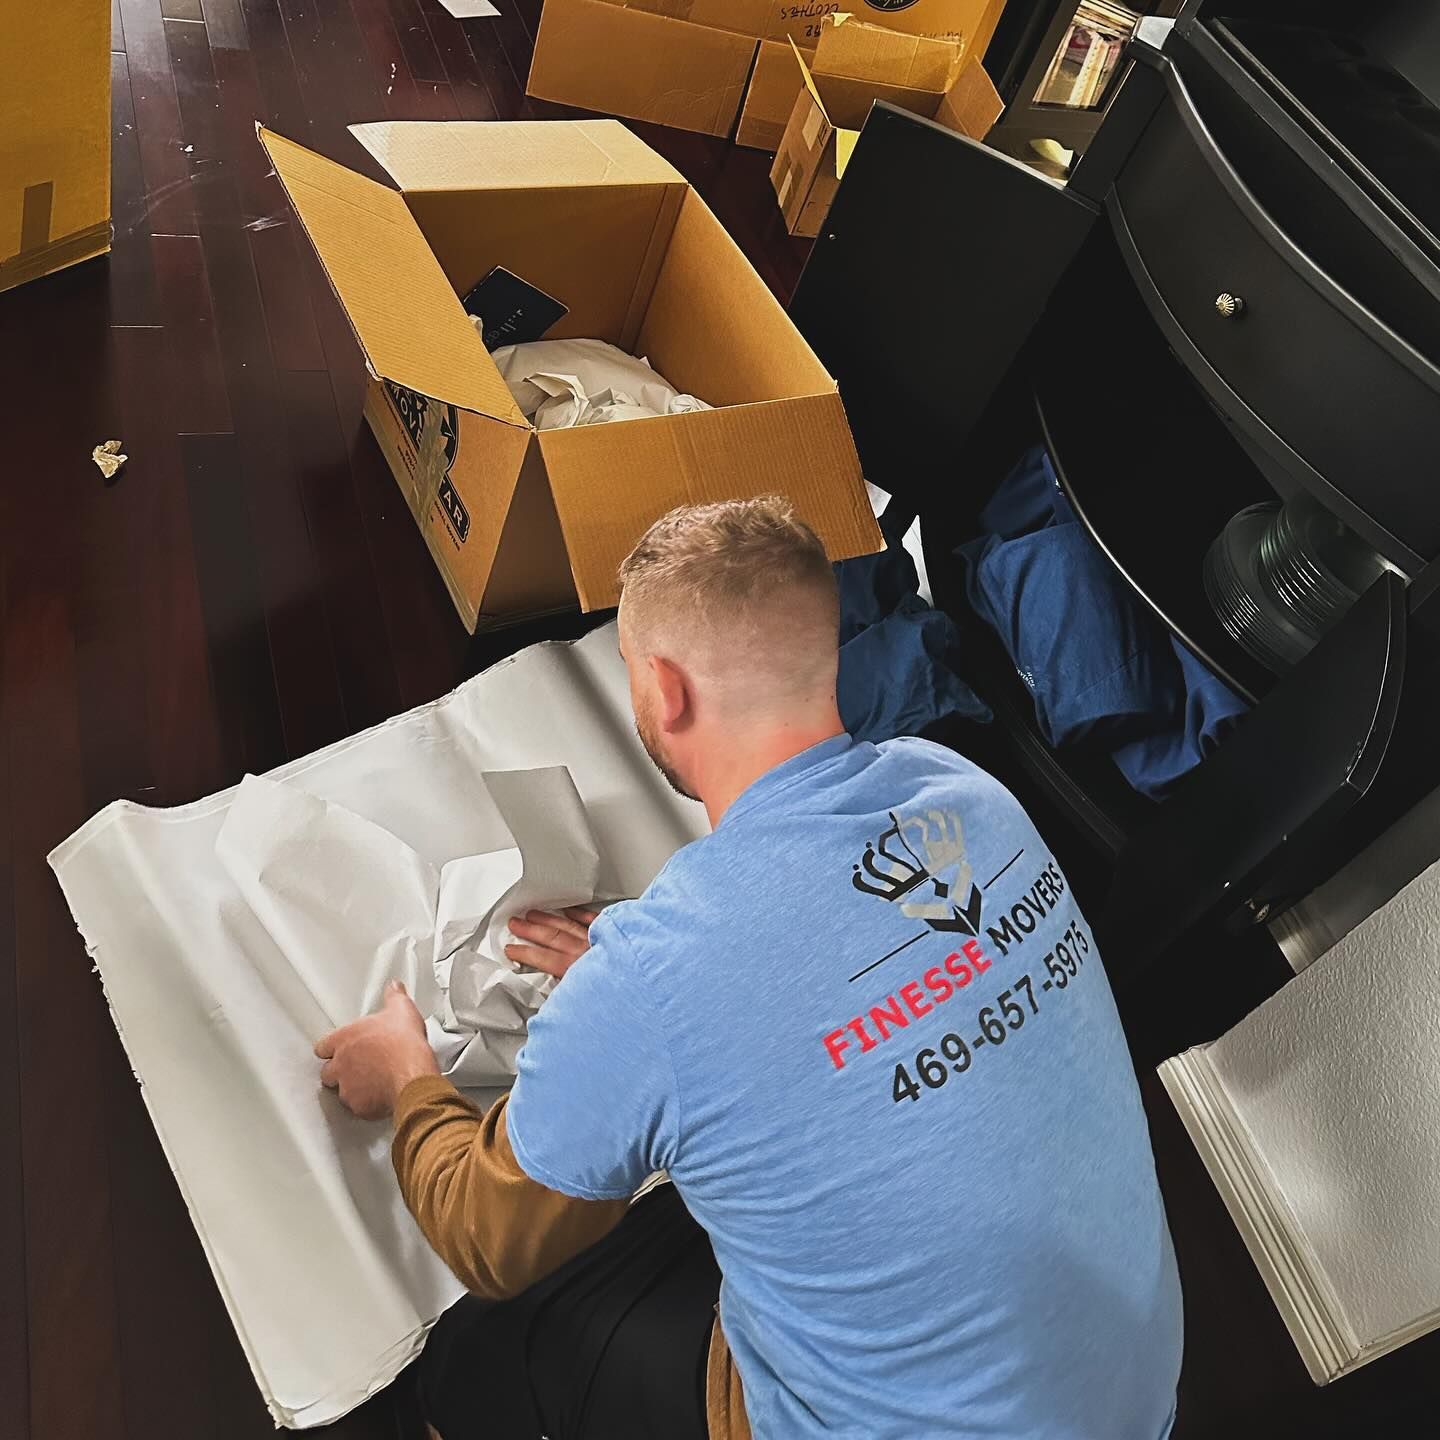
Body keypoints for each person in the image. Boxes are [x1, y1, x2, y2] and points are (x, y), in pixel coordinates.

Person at [315, 496, 1184, 1440]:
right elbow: (843, 967)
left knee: (476, 1354)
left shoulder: (659, 972)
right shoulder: (969, 793)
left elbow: (487, 1238)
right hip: (1136, 1404)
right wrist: (651, 992)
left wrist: (408, 1079)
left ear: (664, 690)